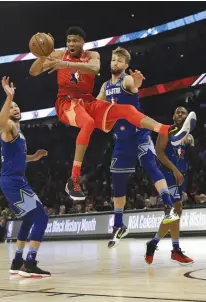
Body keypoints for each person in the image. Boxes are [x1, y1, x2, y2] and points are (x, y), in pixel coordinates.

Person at [30, 27, 196, 201]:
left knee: (127, 110)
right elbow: (33, 71)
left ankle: (168, 130)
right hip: (66, 102)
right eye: (69, 40)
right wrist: (44, 54)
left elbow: (93, 69)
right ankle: (74, 179)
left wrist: (67, 65)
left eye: (75, 40)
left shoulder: (92, 55)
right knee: (88, 123)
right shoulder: (57, 54)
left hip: (87, 101)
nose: (71, 43)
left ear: (82, 42)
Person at [96, 47, 195, 248]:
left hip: (138, 132)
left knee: (150, 164)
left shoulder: (127, 80)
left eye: (119, 61)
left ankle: (168, 207)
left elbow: (134, 85)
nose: (115, 63)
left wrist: (137, 83)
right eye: (113, 60)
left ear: (125, 65)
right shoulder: (106, 86)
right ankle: (118, 224)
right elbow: (96, 107)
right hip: (121, 138)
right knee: (117, 180)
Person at [0, 76, 50, 278]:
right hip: (13, 182)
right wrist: (8, 97)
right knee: (42, 218)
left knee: (29, 219)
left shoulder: (19, 132)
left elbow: (17, 157)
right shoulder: (9, 128)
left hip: (14, 180)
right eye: (12, 107)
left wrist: (33, 157)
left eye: (17, 106)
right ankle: (29, 263)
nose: (15, 109)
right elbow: (1, 121)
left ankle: (17, 261)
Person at [145, 107, 195, 265]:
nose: (180, 114)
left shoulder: (187, 135)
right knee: (175, 210)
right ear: (173, 115)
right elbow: (159, 153)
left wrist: (191, 143)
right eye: (177, 112)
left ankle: (154, 243)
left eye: (183, 113)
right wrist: (174, 170)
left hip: (180, 175)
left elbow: (186, 155)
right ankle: (175, 249)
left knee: (176, 213)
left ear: (187, 117)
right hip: (167, 174)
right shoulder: (166, 130)